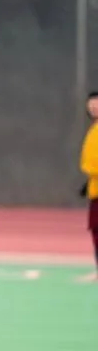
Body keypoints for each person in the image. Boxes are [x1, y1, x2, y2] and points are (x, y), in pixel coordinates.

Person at [80, 90, 98, 282]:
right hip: (95, 190)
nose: (93, 107)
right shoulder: (94, 129)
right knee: (95, 230)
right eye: (91, 104)